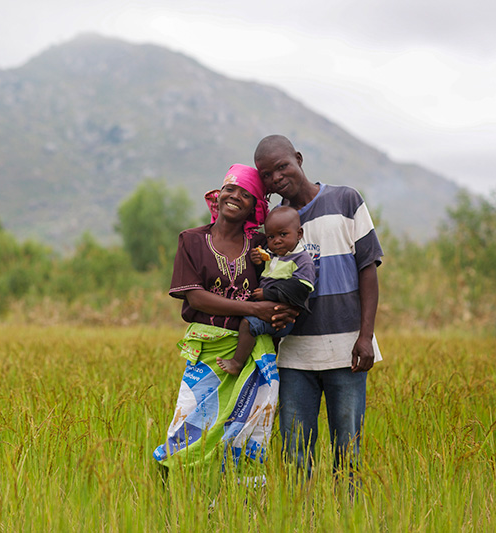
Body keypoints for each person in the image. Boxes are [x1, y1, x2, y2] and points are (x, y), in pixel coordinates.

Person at [253, 134, 384, 484]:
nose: (277, 177)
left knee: (349, 452)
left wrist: (366, 336)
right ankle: (302, 519)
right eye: (267, 174)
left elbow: (367, 269)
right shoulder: (273, 225)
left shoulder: (346, 200)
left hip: (347, 352)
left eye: (282, 166)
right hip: (294, 357)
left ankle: (348, 518)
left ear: (298, 158)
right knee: (295, 454)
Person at [153, 164, 295, 477]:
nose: (235, 197)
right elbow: (196, 298)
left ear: (255, 206)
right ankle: (176, 500)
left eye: (246, 194)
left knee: (247, 432)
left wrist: (279, 310)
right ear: (218, 195)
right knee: (188, 428)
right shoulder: (191, 240)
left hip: (255, 354)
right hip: (209, 354)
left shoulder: (262, 246)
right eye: (230, 189)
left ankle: (237, 509)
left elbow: (282, 280)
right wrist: (255, 310)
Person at [216, 206, 315, 376]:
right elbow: (269, 275)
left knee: (248, 324)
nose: (276, 241)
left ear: (299, 234)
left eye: (283, 235)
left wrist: (268, 294)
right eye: (271, 237)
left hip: (282, 316)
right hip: (264, 307)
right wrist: (259, 263)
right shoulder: (275, 255)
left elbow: (301, 288)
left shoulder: (302, 260)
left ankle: (237, 362)